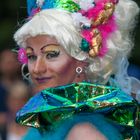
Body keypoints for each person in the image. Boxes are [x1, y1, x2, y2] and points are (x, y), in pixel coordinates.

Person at [13, 0, 140, 139]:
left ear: (81, 60)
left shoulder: (84, 133)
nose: (37, 68)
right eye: (31, 56)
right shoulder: (55, 119)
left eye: (51, 54)